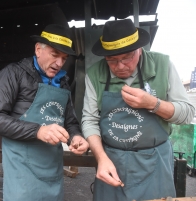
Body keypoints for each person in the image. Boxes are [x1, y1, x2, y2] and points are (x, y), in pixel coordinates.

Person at [81, 19, 195, 201]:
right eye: (112, 60)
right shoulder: (95, 73)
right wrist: (101, 158)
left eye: (127, 58)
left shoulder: (163, 65)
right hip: (112, 160)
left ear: (139, 50)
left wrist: (153, 104)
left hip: (155, 161)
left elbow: (187, 113)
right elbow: (89, 120)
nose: (120, 66)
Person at [0, 24, 89, 201]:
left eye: (64, 58)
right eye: (55, 55)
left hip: (52, 166)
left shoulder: (62, 81)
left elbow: (70, 122)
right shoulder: (13, 73)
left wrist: (76, 137)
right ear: (38, 49)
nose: (59, 63)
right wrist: (38, 130)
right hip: (22, 167)